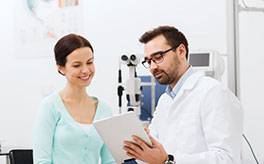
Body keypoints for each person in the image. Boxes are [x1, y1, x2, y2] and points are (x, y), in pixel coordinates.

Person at [123, 26, 243, 164]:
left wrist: (169, 160)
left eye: (158, 57)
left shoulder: (213, 92)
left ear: (181, 51)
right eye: (148, 61)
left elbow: (226, 159)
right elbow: (155, 156)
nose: (152, 67)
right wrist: (138, 148)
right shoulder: (165, 100)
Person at [33, 34, 115, 164]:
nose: (86, 70)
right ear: (61, 68)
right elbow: (41, 161)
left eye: (90, 62)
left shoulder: (105, 110)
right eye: (77, 65)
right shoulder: (50, 106)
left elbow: (110, 161)